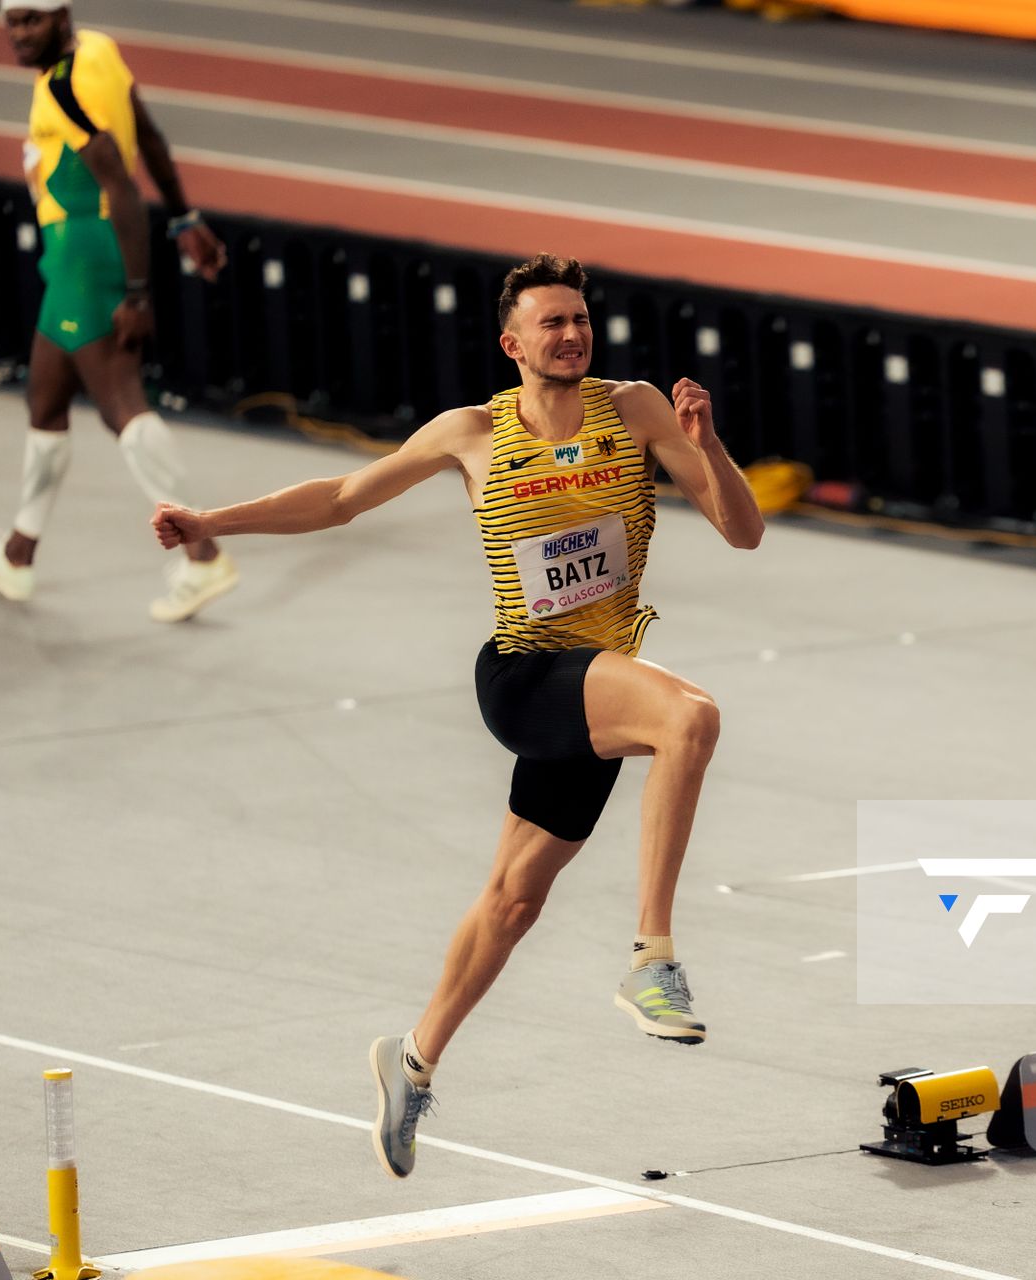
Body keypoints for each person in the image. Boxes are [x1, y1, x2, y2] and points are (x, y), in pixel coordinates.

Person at [151, 255, 764, 1179]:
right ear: (513, 343)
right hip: (525, 677)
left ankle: (413, 1060)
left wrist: (706, 442)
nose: (571, 334)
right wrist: (212, 522)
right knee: (691, 718)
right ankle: (652, 955)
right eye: (551, 323)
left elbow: (742, 529)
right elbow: (340, 500)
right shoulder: (471, 433)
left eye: (580, 320)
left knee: (515, 900)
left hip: (595, 686)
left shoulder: (634, 410)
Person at [0, 1, 237, 623]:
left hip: (89, 256)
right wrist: (186, 216)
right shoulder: (100, 52)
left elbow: (121, 187)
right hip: (75, 260)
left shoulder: (64, 87)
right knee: (46, 403)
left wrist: (138, 293)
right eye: (12, 23)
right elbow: (153, 139)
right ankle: (16, 555)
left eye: (31, 21)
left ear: (61, 17)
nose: (19, 35)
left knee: (120, 406)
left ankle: (203, 552)